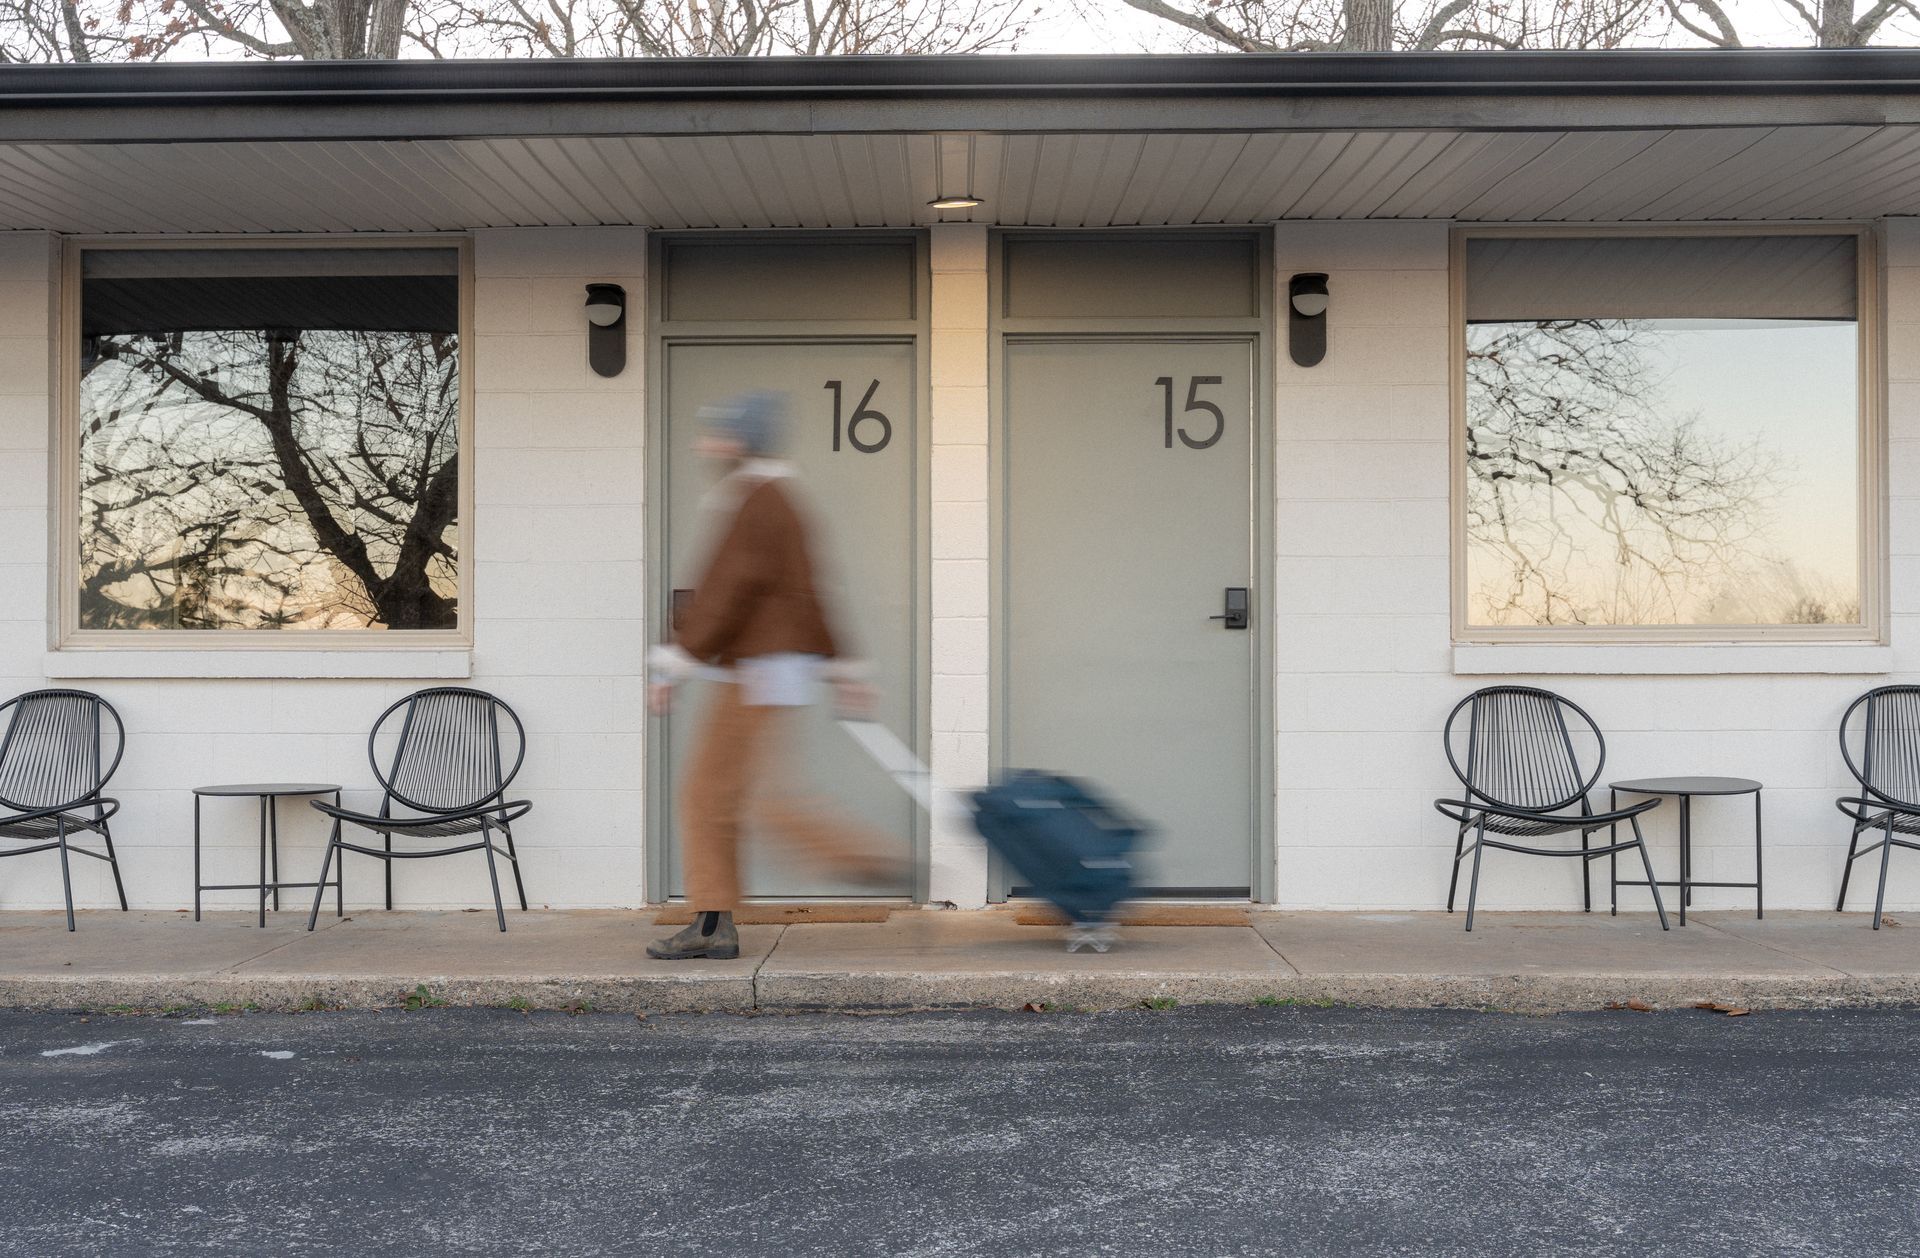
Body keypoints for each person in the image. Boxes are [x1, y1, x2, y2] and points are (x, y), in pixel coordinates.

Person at [646, 391, 902, 961]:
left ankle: (851, 858)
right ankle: (718, 922)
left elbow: (724, 590)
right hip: (771, 669)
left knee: (714, 796)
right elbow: (813, 588)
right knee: (730, 794)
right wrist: (842, 664)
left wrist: (676, 662)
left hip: (757, 671)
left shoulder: (755, 497)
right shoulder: (782, 497)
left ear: (740, 439)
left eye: (714, 433)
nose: (703, 443)